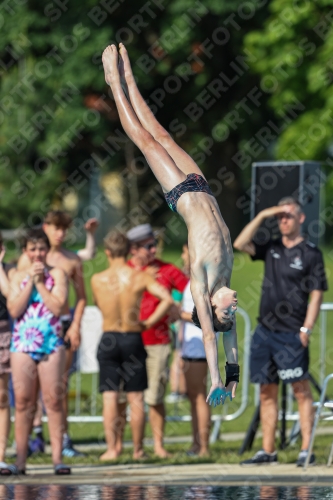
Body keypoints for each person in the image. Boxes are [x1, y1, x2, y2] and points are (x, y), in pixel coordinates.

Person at [101, 44, 239, 406]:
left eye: (228, 310)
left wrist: (217, 380)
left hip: (181, 193)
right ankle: (129, 74)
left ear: (212, 308)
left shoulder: (203, 283)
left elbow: (213, 337)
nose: (235, 305)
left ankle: (114, 84)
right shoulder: (226, 279)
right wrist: (235, 374)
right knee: (163, 135)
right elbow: (231, 341)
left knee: (145, 141)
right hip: (201, 185)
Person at [233, 197, 328, 467]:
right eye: (279, 217)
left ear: (300, 218)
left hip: (291, 334)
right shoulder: (272, 247)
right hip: (265, 331)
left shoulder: (311, 253)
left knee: (300, 390)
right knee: (266, 391)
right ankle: (268, 451)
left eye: (287, 215)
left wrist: (306, 328)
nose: (283, 220)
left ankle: (306, 449)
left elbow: (317, 294)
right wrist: (264, 214)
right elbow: (240, 244)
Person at [91, 230, 173, 460]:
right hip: (132, 336)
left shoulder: (97, 279)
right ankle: (138, 450)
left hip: (109, 336)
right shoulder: (139, 277)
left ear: (107, 252)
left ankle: (112, 449)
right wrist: (147, 323)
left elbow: (99, 304)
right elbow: (166, 298)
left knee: (109, 396)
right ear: (128, 251)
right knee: (135, 397)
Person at [17, 211, 92, 457]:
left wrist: (75, 326)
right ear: (46, 228)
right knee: (30, 389)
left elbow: (81, 297)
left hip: (62, 323)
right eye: (56, 229)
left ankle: (63, 439)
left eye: (65, 229)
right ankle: (35, 435)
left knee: (58, 387)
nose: (60, 234)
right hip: (33, 327)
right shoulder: (27, 259)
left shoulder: (71, 260)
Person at [7, 229, 70, 475]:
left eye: (41, 249)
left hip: (51, 342)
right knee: (23, 403)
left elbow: (57, 307)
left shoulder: (58, 274)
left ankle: (57, 459)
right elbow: (14, 310)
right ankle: (21, 461)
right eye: (32, 249)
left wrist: (41, 283)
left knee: (53, 401)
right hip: (23, 343)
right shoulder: (16, 276)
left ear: (47, 250)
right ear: (25, 251)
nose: (37, 254)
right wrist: (29, 283)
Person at [127, 223, 188, 457]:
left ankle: (159, 446)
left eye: (155, 245)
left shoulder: (168, 270)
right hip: (130, 340)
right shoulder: (124, 270)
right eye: (148, 247)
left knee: (155, 396)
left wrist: (178, 308)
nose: (154, 251)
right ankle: (135, 448)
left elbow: (192, 291)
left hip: (158, 341)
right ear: (134, 249)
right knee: (130, 397)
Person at [180, 242, 211, 457]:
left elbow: (205, 315)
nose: (182, 256)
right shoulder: (191, 279)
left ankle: (204, 446)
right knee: (193, 395)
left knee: (199, 395)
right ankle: (196, 442)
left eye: (185, 252)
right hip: (190, 346)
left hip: (199, 345)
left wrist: (178, 313)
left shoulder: (201, 280)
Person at [0, 234, 15, 475]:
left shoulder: (9, 270)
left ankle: (0, 456)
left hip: (2, 333)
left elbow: (11, 295)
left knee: (1, 398)